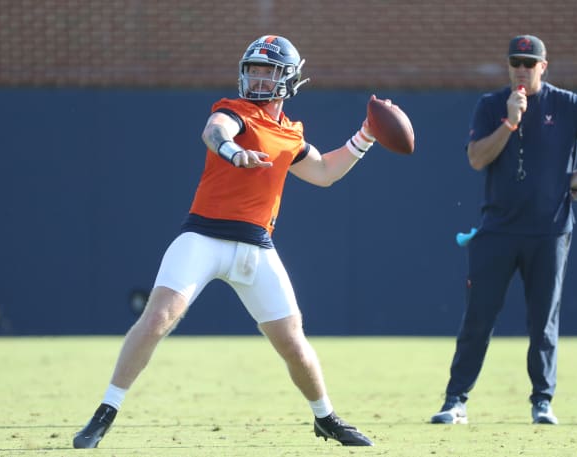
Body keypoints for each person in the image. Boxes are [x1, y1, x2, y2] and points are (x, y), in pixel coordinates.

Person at [73, 35, 376, 448]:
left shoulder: (289, 133)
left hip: (256, 247)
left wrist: (366, 137)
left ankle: (325, 417)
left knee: (292, 341)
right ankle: (106, 411)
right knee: (158, 318)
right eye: (253, 69)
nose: (258, 78)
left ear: (289, 79)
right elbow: (214, 131)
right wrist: (233, 152)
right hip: (204, 236)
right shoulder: (235, 111)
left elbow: (324, 172)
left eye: (268, 71)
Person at [430, 35, 577, 425]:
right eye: (515, 62)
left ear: (543, 66)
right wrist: (510, 122)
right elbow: (475, 159)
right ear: (508, 66)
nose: (521, 69)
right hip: (497, 230)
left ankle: (542, 401)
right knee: (478, 319)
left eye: (529, 62)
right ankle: (456, 401)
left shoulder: (565, 103)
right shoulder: (491, 105)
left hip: (549, 231)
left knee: (543, 320)